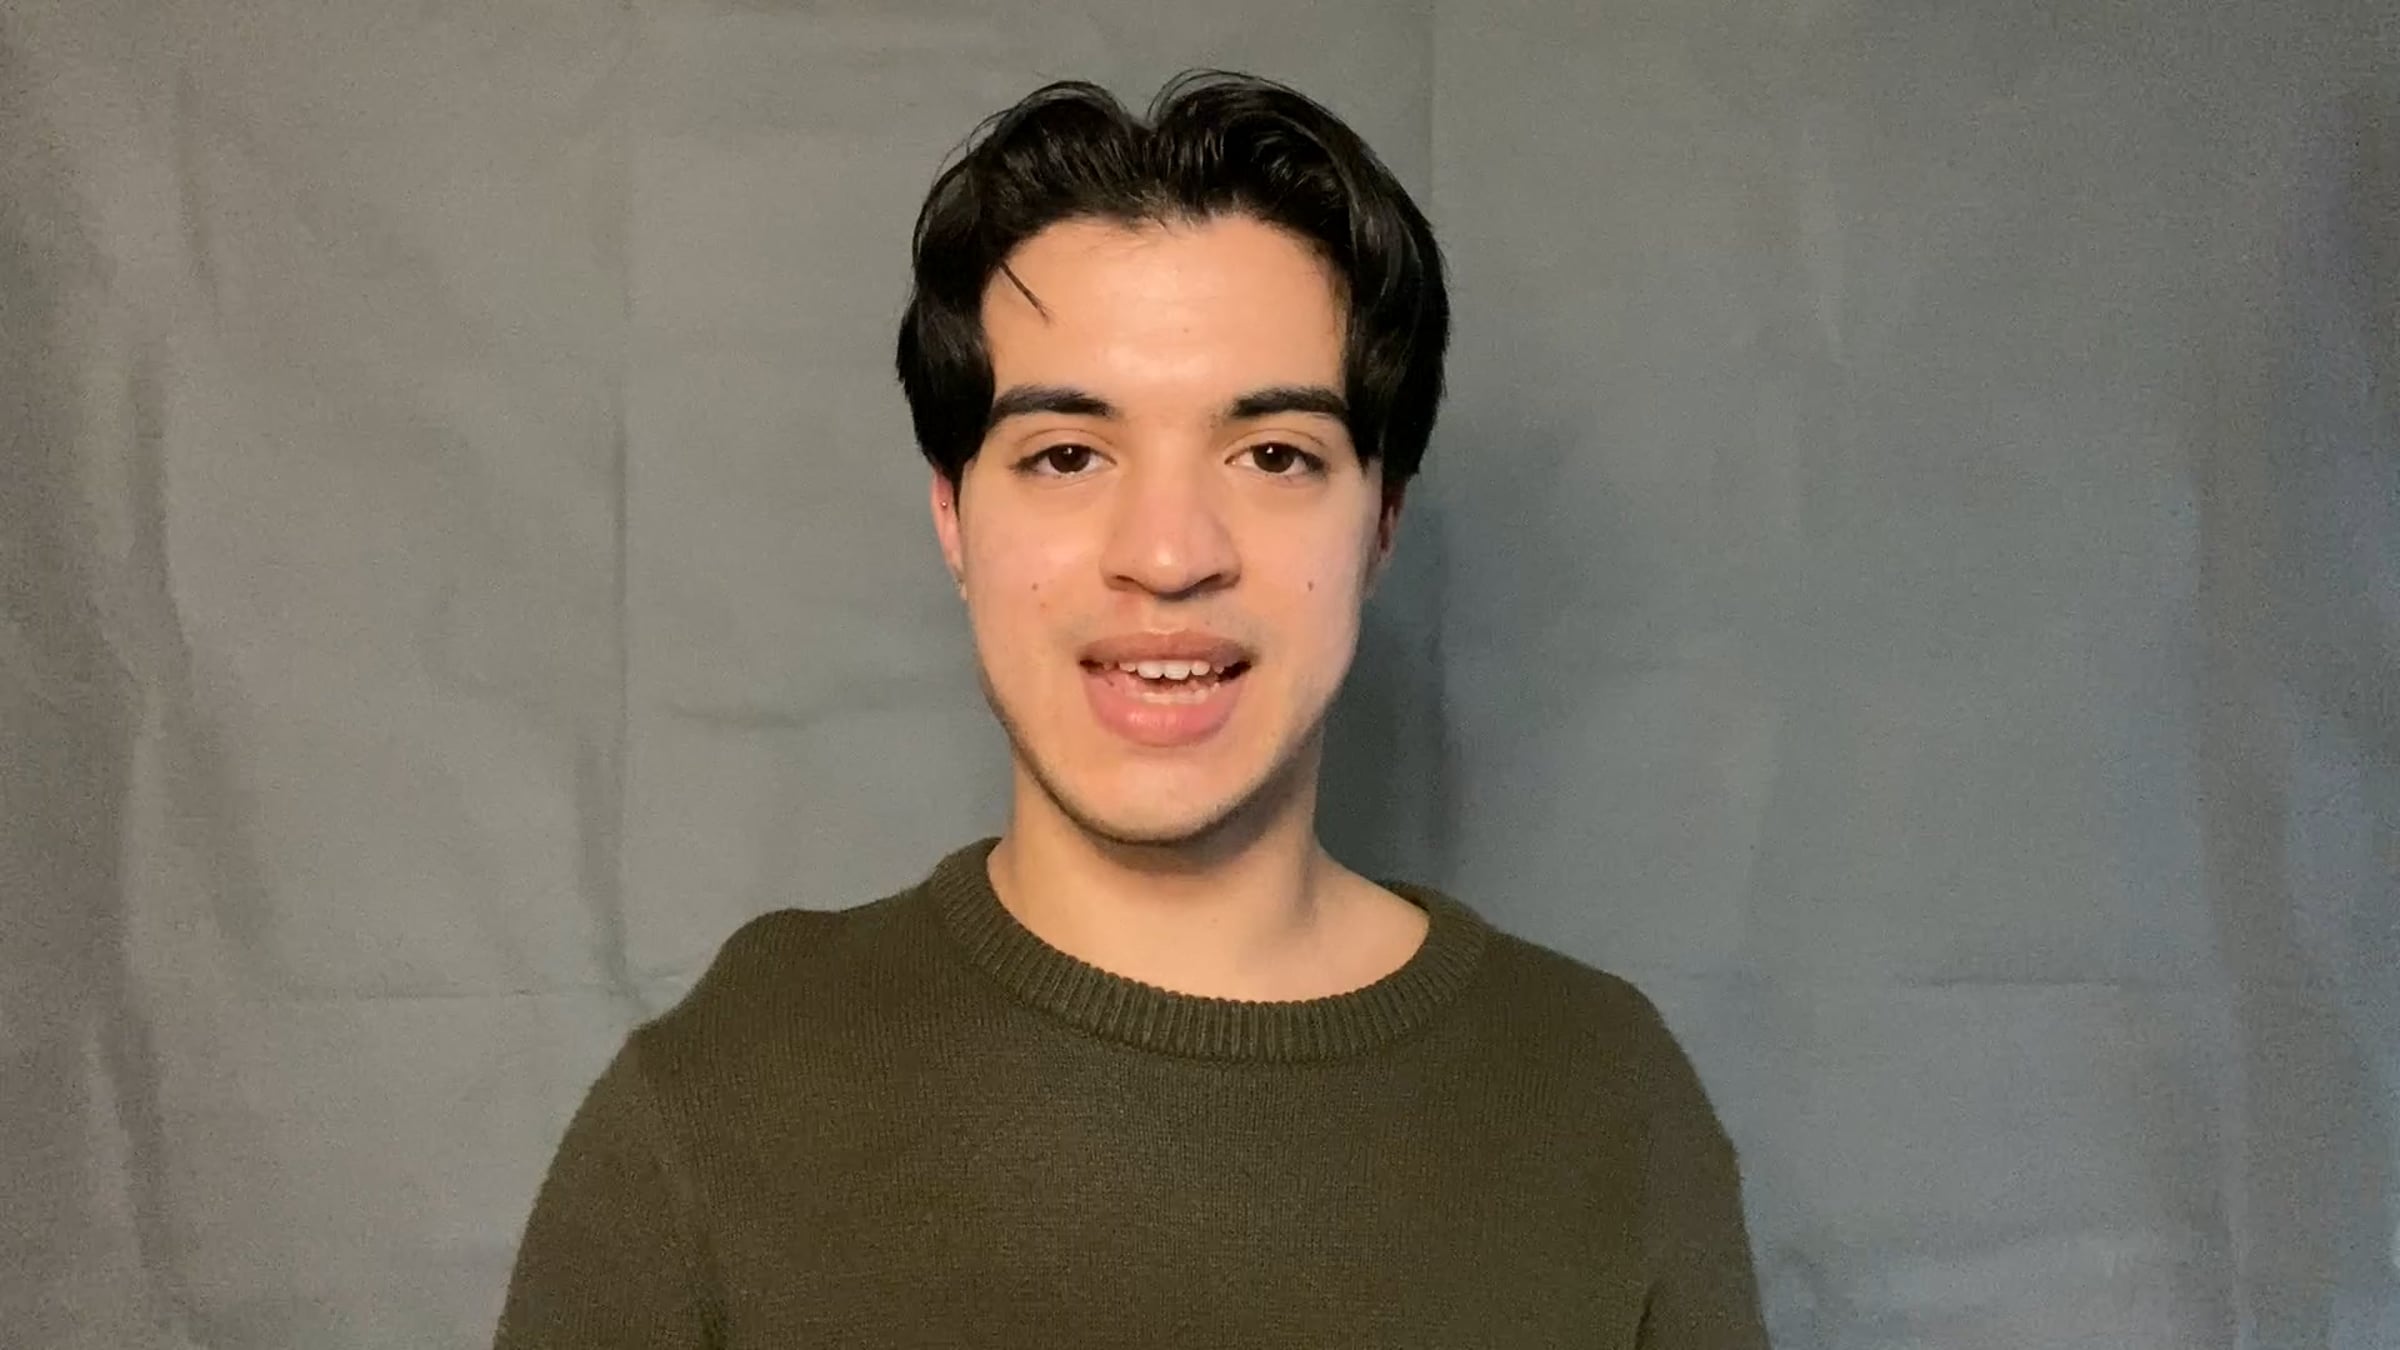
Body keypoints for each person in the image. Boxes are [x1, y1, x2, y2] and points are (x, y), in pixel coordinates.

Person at [494, 70, 1769, 1348]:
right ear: (954, 517)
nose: (1167, 554)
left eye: (1274, 456)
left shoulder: (1604, 1100)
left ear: (1381, 523)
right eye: (1066, 456)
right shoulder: (726, 1095)